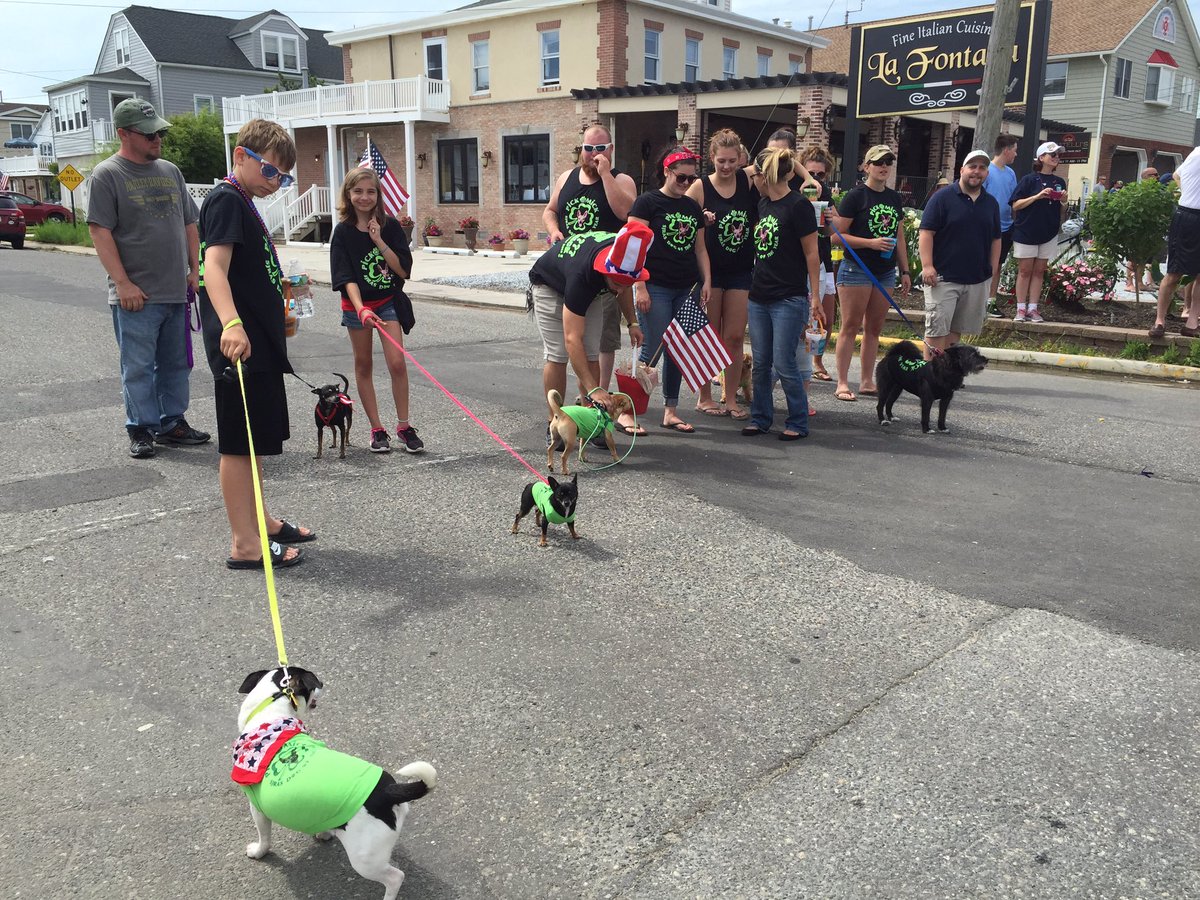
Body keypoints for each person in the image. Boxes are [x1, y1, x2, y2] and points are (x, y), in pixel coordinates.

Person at [198, 119, 311, 570]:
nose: (277, 183)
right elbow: (214, 269)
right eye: (271, 172)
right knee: (237, 445)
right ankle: (245, 543)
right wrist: (232, 324)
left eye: (284, 178)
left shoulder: (243, 199)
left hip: (257, 343)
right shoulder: (226, 199)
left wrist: (275, 300)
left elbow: (246, 269)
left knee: (254, 441)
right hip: (238, 349)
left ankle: (260, 520)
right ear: (241, 157)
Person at [87, 98, 207, 460]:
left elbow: (189, 223)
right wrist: (122, 283)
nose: (158, 139)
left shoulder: (170, 171)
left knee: (176, 362)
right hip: (136, 294)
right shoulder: (107, 174)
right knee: (137, 365)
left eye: (160, 132)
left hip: (175, 290)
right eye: (149, 133)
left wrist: (194, 270)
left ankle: (172, 423)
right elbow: (100, 231)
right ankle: (140, 427)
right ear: (124, 133)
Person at [329, 166, 422, 454]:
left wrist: (378, 240)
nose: (364, 197)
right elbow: (345, 279)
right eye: (358, 191)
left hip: (387, 301)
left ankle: (404, 427)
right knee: (364, 364)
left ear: (378, 195)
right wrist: (360, 310)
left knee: (397, 362)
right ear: (348, 194)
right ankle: (376, 429)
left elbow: (403, 270)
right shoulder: (342, 232)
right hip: (357, 306)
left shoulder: (390, 227)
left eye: (370, 191)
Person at [542, 124, 637, 394]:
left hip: (602, 278)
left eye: (600, 148)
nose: (593, 154)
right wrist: (554, 230)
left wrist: (605, 174)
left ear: (610, 150)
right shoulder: (566, 178)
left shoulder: (621, 180)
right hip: (567, 272)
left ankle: (595, 403)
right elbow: (550, 210)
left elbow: (625, 213)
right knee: (561, 349)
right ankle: (564, 414)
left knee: (598, 346)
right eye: (588, 148)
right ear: (581, 149)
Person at [528, 223, 648, 426]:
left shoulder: (625, 256)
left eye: (626, 284)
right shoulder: (582, 277)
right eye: (616, 284)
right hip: (549, 284)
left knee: (592, 355)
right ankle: (554, 421)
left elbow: (624, 287)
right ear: (606, 270)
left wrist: (632, 322)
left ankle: (591, 421)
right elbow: (572, 339)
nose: (620, 290)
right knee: (557, 355)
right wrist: (595, 389)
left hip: (592, 286)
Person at [628, 147, 712, 434]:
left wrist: (707, 281)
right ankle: (629, 410)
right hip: (655, 285)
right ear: (666, 171)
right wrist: (639, 285)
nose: (686, 183)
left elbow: (700, 248)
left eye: (691, 179)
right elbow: (633, 248)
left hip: (686, 285)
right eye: (681, 177)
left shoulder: (691, 207)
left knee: (679, 348)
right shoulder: (646, 203)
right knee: (653, 347)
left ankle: (671, 411)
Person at [742, 147, 823, 441]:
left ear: (765, 176)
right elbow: (746, 173)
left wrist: (814, 296)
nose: (753, 180)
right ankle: (760, 417)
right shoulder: (763, 204)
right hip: (759, 294)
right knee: (761, 362)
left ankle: (798, 421)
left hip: (788, 296)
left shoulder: (798, 205)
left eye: (757, 175)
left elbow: (812, 254)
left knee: (784, 361)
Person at [829, 144, 912, 402]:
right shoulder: (856, 196)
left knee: (873, 328)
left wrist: (906, 270)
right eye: (878, 162)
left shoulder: (894, 197)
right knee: (850, 326)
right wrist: (870, 243)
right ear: (867, 167)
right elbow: (836, 236)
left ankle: (867, 380)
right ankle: (842, 381)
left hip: (885, 271)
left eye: (888, 161)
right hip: (857, 268)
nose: (883, 166)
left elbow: (899, 235)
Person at [685, 128, 755, 418]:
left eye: (731, 161)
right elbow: (681, 219)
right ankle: (704, 397)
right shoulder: (701, 186)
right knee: (708, 335)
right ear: (712, 158)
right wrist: (699, 218)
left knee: (735, 337)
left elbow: (781, 159)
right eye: (721, 161)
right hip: (709, 273)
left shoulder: (748, 178)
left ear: (740, 158)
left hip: (740, 271)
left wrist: (812, 179)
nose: (726, 167)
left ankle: (730, 398)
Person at [918, 150, 1002, 358]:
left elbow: (996, 239)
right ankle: (930, 374)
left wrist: (991, 270)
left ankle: (945, 374)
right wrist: (927, 265)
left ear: (987, 173)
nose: (977, 172)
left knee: (956, 332)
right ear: (962, 170)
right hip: (943, 277)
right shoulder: (942, 198)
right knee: (937, 330)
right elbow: (926, 232)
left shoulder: (990, 203)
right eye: (972, 167)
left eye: (982, 168)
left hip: (975, 278)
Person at [1009, 141, 1067, 323]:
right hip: (1026, 230)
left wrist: (1063, 200)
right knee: (1025, 270)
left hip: (1048, 231)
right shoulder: (1029, 180)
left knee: (1040, 270)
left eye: (1058, 155)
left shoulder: (1059, 181)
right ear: (1042, 158)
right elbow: (1015, 204)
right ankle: (1020, 308)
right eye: (1053, 155)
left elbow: (1061, 210)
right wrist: (1037, 196)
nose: (1056, 158)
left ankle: (1033, 308)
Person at [798, 146, 839, 383]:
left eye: (821, 175)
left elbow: (830, 232)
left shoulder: (825, 197)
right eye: (811, 173)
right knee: (805, 320)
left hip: (822, 260)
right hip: (798, 263)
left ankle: (813, 365)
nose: (815, 179)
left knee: (821, 321)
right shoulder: (795, 192)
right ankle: (802, 369)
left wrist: (829, 221)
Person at [1151, 145, 1200, 338]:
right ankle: (1159, 321)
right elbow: (1176, 175)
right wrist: (1188, 194)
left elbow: (1176, 174)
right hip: (1188, 216)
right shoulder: (1198, 152)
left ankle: (1192, 322)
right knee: (1174, 273)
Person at [983, 133, 1019, 317]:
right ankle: (979, 300)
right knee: (985, 263)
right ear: (1006, 150)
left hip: (1006, 228)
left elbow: (1014, 200)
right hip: (987, 227)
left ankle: (991, 301)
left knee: (997, 264)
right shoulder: (986, 170)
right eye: (1014, 150)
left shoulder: (1011, 173)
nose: (1016, 154)